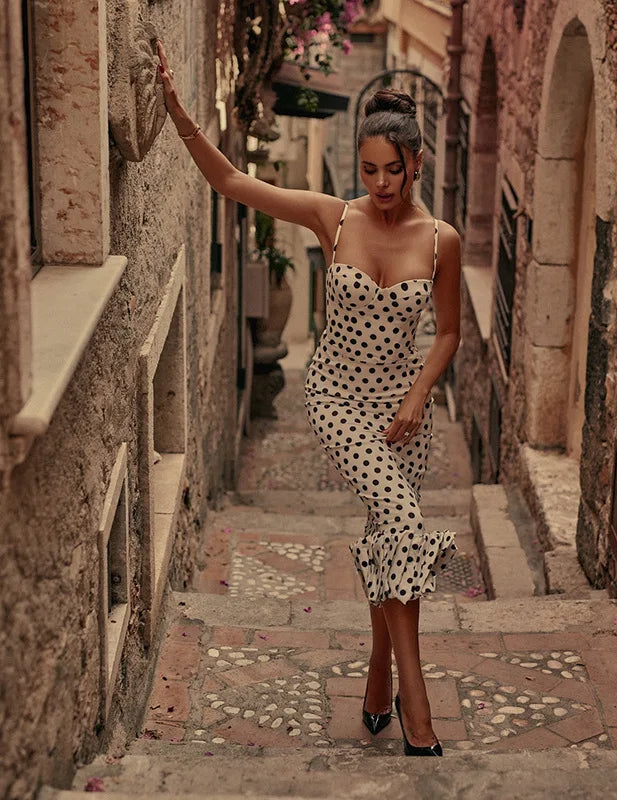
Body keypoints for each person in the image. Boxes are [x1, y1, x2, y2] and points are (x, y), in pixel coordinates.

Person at [157, 41, 461, 756]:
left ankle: (377, 681)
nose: (381, 183)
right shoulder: (337, 219)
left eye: (394, 169)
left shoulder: (441, 240)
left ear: (417, 165)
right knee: (402, 524)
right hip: (338, 401)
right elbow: (232, 181)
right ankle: (419, 714)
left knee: (391, 535)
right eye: (369, 170)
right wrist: (175, 108)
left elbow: (446, 332)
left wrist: (419, 398)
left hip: (402, 408)